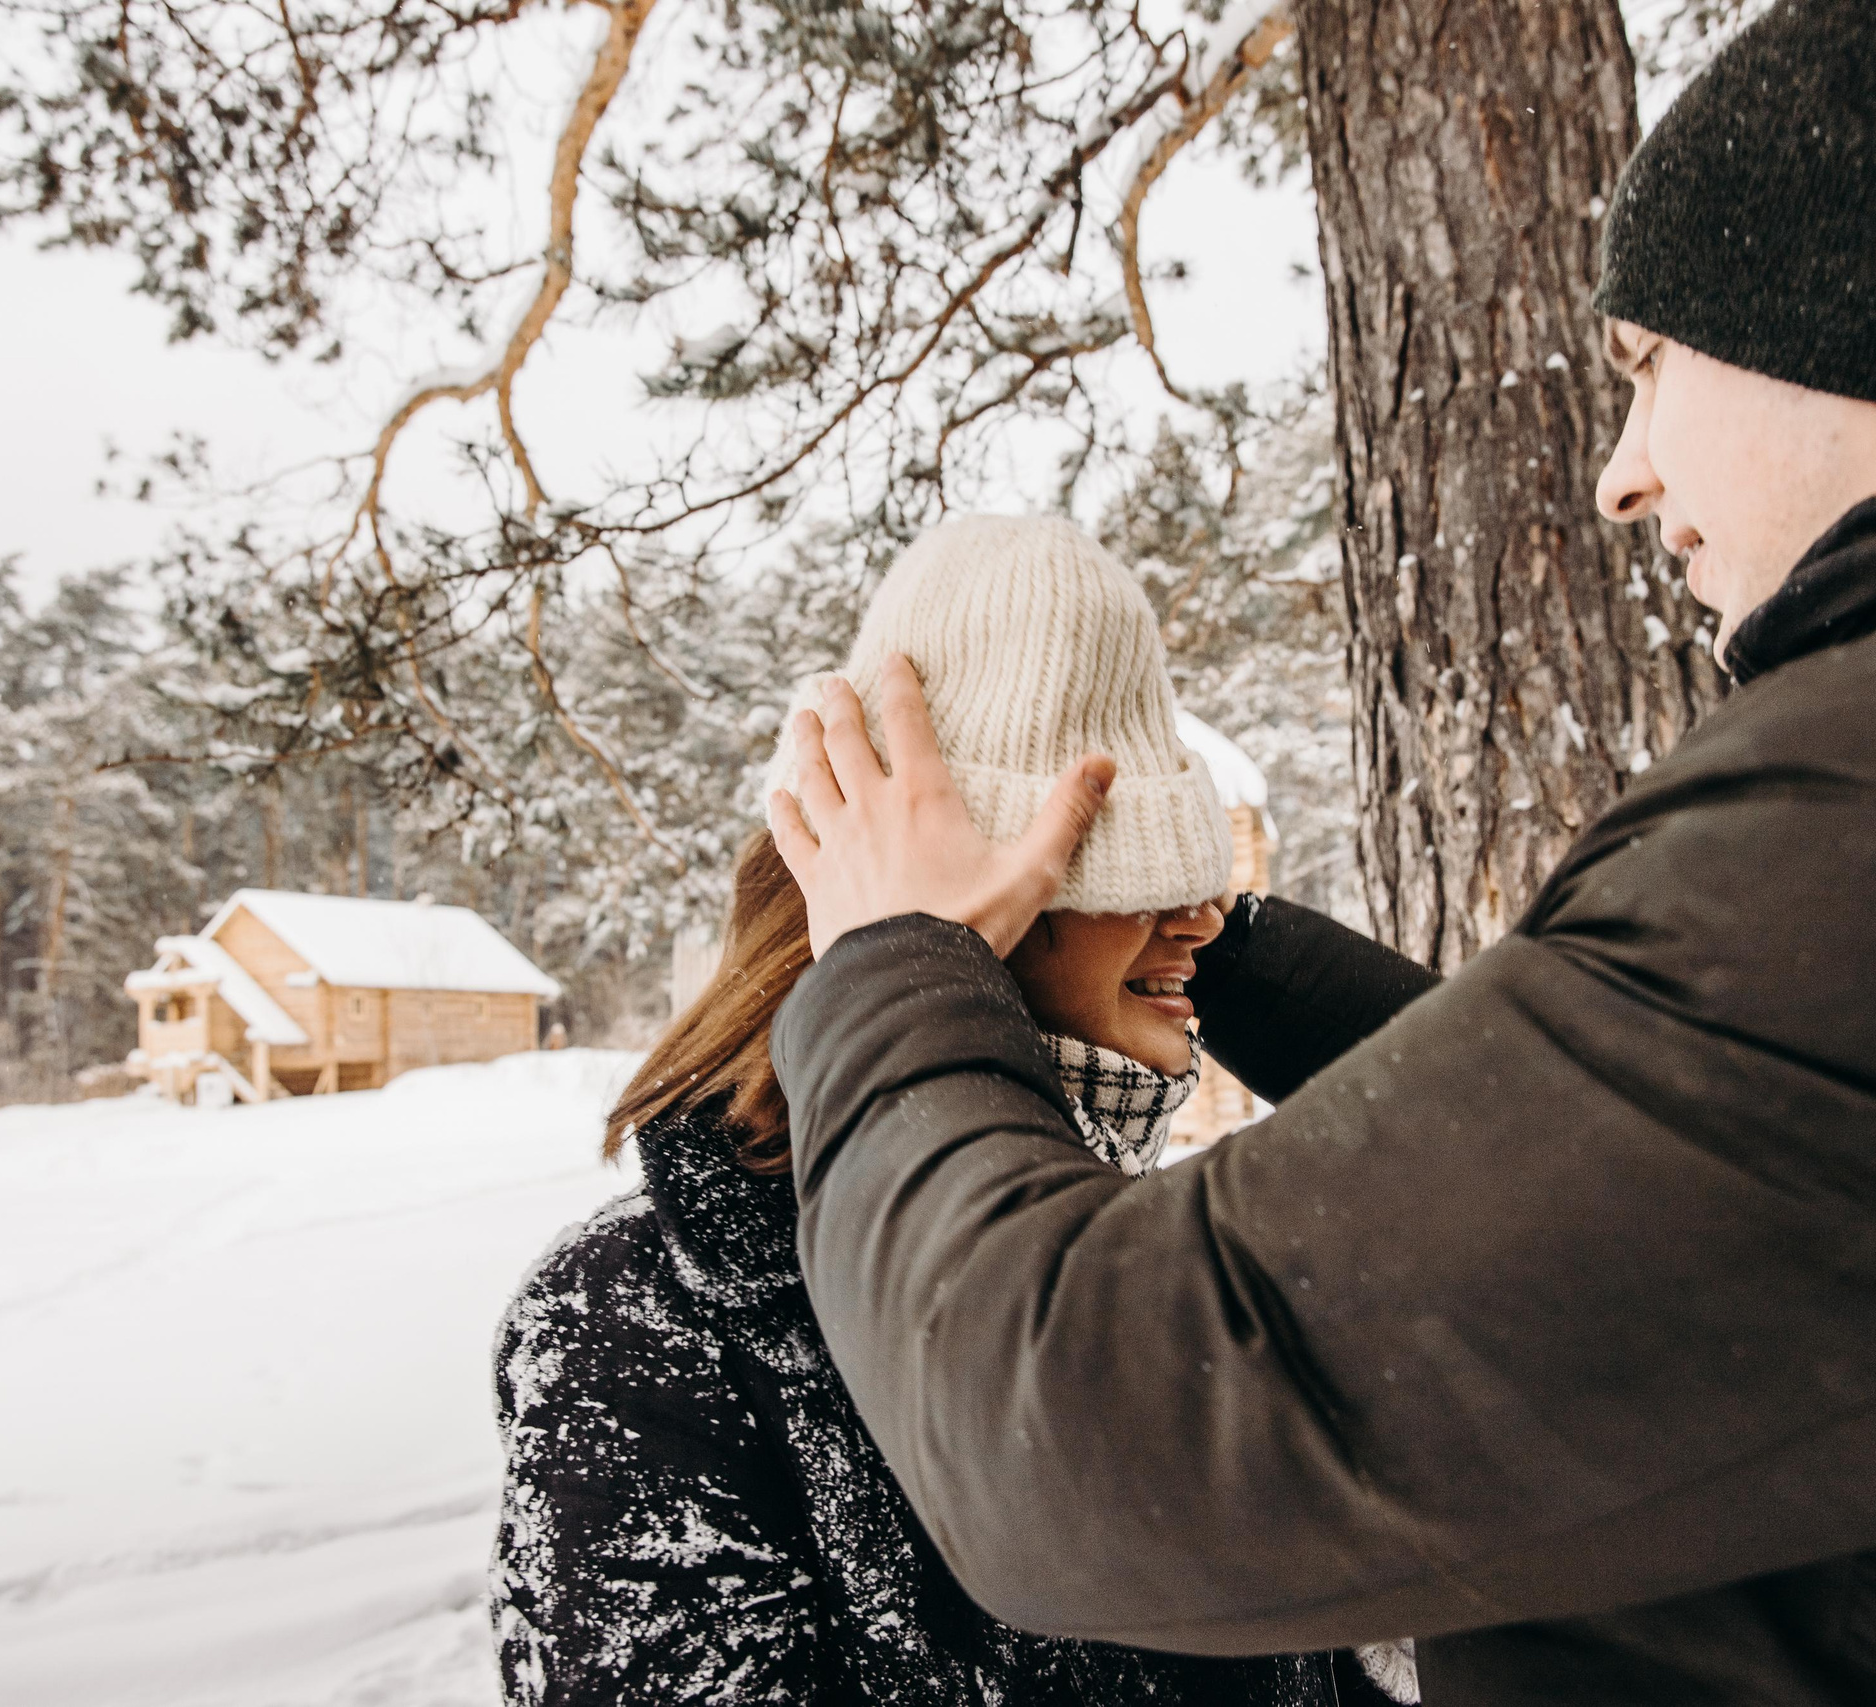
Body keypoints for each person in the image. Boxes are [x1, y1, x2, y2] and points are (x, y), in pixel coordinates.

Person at [760, 1, 1876, 1702]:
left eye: (1649, 363)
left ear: (1875, 300)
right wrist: (1217, 943)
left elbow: (1091, 1423)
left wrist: (894, 971)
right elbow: (1670, 1202)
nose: (1620, 476)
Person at [488, 518, 1401, 1704]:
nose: (1202, 922)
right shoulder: (634, 1323)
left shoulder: (1179, 1253)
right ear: (970, 919)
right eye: (1125, 879)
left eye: (1197, 879)